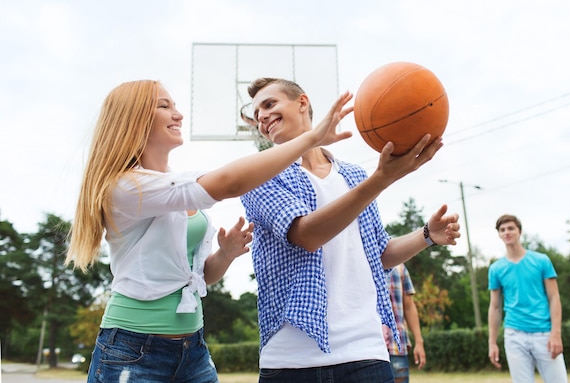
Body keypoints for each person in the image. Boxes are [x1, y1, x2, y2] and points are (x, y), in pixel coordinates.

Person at [64, 79, 354, 383]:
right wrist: (310, 138)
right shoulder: (126, 187)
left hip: (193, 350)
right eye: (164, 106)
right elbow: (228, 183)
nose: (178, 115)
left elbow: (201, 277)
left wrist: (225, 255)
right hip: (132, 348)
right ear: (132, 118)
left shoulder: (171, 186)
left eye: (175, 106)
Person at [240, 77, 461, 383]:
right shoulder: (259, 175)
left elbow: (379, 254)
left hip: (364, 352)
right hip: (292, 359)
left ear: (302, 102)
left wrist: (426, 235)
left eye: (269, 104)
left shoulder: (355, 176)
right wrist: (380, 180)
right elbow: (307, 235)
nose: (261, 116)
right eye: (256, 113)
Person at [488, 214, 568, 383]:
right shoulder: (496, 269)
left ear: (520, 231)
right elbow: (494, 307)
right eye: (502, 230)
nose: (507, 232)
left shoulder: (541, 261)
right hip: (514, 335)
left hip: (544, 333)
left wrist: (556, 333)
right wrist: (492, 342)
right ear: (499, 235)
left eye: (511, 228)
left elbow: (554, 298)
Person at [385, 264, 426, 383]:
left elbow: (409, 306)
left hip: (395, 346)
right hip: (367, 348)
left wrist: (419, 342)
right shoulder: (360, 262)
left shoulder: (399, 268)